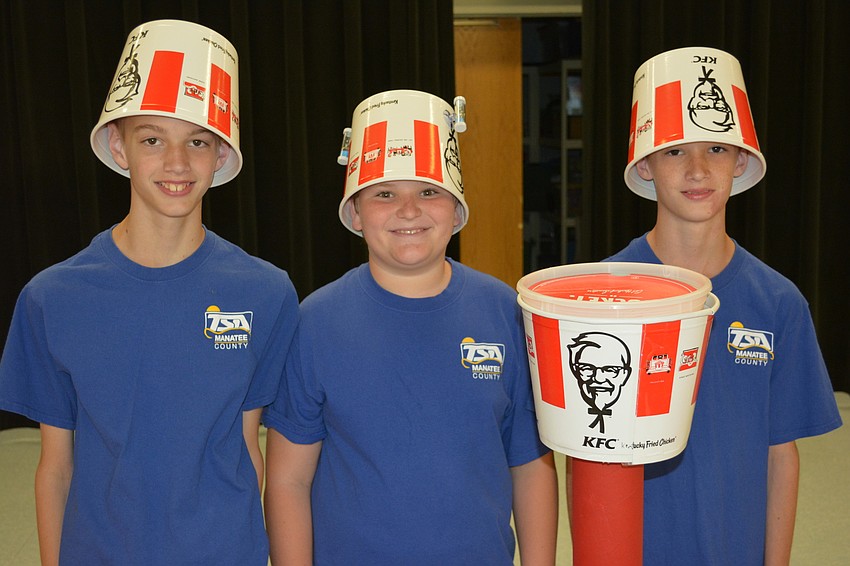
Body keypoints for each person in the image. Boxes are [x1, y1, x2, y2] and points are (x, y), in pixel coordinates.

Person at [0, 20, 298, 565]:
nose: (177, 164)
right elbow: (55, 466)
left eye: (198, 141)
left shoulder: (266, 292)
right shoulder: (53, 298)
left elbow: (250, 449)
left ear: (221, 156)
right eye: (152, 139)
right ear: (119, 146)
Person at [262, 90, 558, 565]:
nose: (408, 210)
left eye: (428, 191)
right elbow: (288, 480)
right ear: (355, 212)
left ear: (457, 209)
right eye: (384, 193)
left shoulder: (505, 311)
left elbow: (530, 463)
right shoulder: (316, 321)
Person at [609, 47, 842, 565]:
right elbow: (584, 459)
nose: (697, 169)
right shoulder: (608, 294)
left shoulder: (778, 302)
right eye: (674, 151)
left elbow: (780, 453)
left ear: (740, 161)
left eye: (716, 149)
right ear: (645, 165)